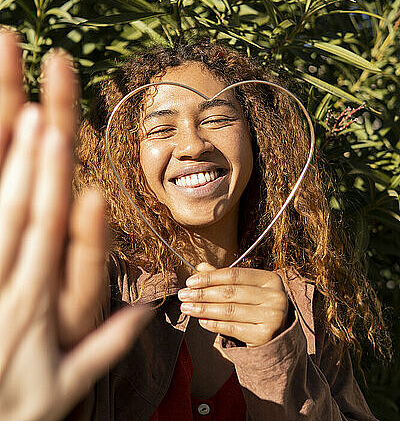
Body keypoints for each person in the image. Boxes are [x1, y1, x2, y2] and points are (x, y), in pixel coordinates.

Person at [0, 29, 388, 421]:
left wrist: (277, 357)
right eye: (161, 129)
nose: (192, 145)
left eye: (217, 119)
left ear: (257, 138)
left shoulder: (304, 303)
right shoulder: (99, 287)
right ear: (127, 156)